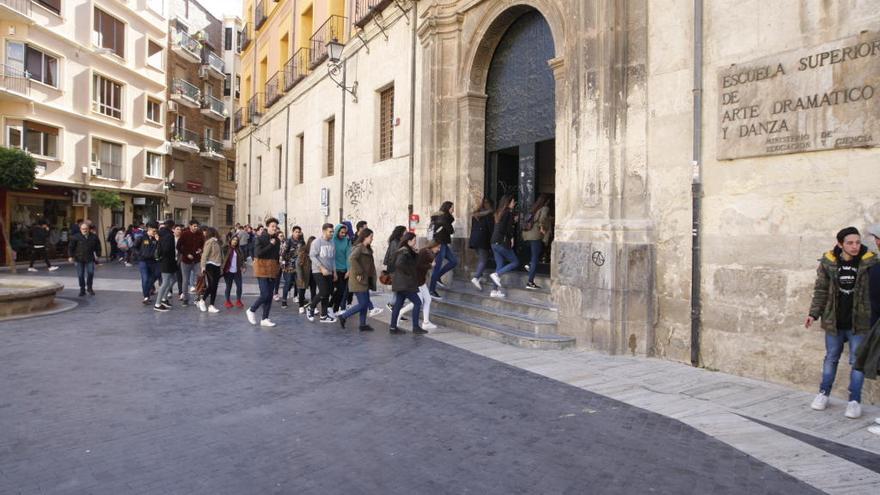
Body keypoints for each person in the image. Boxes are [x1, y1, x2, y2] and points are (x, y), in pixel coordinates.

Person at [806, 226, 877, 419]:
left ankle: (854, 401)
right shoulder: (829, 262)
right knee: (831, 358)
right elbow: (820, 290)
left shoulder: (870, 263)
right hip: (834, 321)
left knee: (857, 362)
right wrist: (813, 313)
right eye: (850, 243)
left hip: (859, 322)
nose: (855, 246)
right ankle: (823, 393)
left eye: (857, 242)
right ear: (840, 244)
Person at [338, 228, 381, 331]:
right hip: (358, 280)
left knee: (365, 303)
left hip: (364, 279)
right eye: (371, 237)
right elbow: (352, 258)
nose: (372, 239)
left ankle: (362, 325)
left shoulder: (366, 248)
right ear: (365, 237)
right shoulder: (359, 247)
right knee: (363, 303)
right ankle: (343, 316)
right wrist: (359, 272)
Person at [247, 218, 281, 327]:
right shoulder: (260, 238)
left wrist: (277, 266)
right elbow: (258, 253)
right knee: (265, 294)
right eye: (272, 226)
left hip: (272, 268)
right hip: (261, 268)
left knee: (269, 295)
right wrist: (270, 245)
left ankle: (265, 318)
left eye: (276, 227)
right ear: (267, 227)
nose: (274, 229)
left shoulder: (277, 240)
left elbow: (276, 255)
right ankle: (251, 310)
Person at [400, 241, 442, 330]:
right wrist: (430, 265)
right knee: (418, 302)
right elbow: (418, 265)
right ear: (433, 246)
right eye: (438, 247)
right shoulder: (426, 252)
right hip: (417, 280)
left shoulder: (426, 251)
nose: (439, 249)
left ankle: (426, 322)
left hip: (421, 281)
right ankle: (400, 312)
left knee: (428, 299)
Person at [389, 232, 425, 335]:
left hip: (401, 283)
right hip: (405, 284)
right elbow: (400, 264)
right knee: (418, 302)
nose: (415, 242)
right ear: (408, 241)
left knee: (398, 305)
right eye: (414, 240)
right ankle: (415, 327)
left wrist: (415, 254)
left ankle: (393, 327)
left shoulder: (405, 250)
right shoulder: (404, 251)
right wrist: (409, 274)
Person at [489, 195, 519, 298]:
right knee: (515, 262)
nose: (514, 204)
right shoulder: (509, 213)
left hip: (494, 242)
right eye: (513, 201)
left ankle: (494, 290)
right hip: (501, 242)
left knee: (499, 265)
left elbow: (500, 227)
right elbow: (507, 229)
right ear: (509, 202)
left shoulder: (499, 212)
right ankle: (497, 275)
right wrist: (511, 236)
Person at [308, 223, 337, 323]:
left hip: (329, 271)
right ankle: (310, 308)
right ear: (324, 231)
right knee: (324, 291)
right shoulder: (317, 242)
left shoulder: (332, 242)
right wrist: (321, 268)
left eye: (333, 231)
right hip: (318, 271)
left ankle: (323, 316)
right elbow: (312, 256)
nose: (332, 233)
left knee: (328, 293)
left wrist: (335, 272)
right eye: (330, 231)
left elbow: (333, 258)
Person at [521, 194, 551, 290]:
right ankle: (530, 282)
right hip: (535, 236)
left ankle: (529, 265)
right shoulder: (545, 208)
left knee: (535, 256)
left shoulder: (534, 208)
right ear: (547, 201)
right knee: (535, 259)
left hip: (527, 235)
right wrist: (542, 228)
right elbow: (542, 218)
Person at [428, 201, 457, 299]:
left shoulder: (437, 217)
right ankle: (431, 290)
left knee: (454, 261)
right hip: (439, 244)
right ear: (447, 208)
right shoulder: (444, 217)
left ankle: (437, 277)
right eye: (452, 208)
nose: (453, 210)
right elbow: (451, 230)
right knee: (437, 267)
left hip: (442, 243)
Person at [68, 221, 101, 296]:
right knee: (80, 275)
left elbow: (98, 246)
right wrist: (70, 256)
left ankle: (89, 288)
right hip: (79, 258)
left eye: (86, 229)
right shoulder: (75, 237)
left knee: (91, 273)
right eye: (83, 229)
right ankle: (82, 289)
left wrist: (98, 255)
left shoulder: (94, 236)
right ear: (80, 229)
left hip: (90, 258)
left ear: (88, 229)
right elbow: (70, 247)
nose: (84, 230)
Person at [468, 198, 495, 291]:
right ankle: (476, 277)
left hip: (475, 239)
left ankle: (479, 276)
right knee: (484, 259)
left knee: (481, 258)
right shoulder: (489, 215)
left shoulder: (476, 213)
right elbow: (491, 228)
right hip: (483, 239)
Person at [178, 220, 205, 307]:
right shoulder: (185, 234)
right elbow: (178, 246)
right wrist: (186, 254)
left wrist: (201, 249)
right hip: (186, 261)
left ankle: (197, 297)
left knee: (200, 276)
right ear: (190, 226)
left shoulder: (200, 234)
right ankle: (185, 299)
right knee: (185, 280)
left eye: (197, 226)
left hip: (197, 260)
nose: (195, 228)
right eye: (194, 226)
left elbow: (203, 245)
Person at [153, 220, 177, 312]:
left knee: (174, 278)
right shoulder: (169, 235)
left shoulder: (163, 234)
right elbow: (166, 249)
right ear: (172, 226)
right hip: (167, 261)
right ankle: (157, 304)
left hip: (168, 261)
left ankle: (163, 299)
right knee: (165, 282)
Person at [133, 222, 160, 305]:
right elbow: (134, 247)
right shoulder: (141, 237)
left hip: (153, 261)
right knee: (145, 279)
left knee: (154, 277)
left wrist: (158, 241)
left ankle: (148, 291)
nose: (154, 232)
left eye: (156, 231)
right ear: (149, 229)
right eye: (153, 231)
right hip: (143, 261)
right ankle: (146, 297)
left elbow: (160, 249)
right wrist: (140, 255)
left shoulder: (156, 238)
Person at [198, 228, 223, 314]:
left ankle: (211, 305)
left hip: (217, 266)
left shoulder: (217, 242)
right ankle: (202, 300)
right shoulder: (210, 242)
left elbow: (220, 255)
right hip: (210, 265)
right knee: (212, 285)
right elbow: (204, 255)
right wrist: (203, 266)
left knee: (214, 286)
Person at [280, 226, 304, 308]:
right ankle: (284, 300)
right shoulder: (288, 241)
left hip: (298, 266)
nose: (297, 233)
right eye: (296, 232)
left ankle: (296, 297)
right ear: (293, 232)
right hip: (288, 266)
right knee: (288, 282)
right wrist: (293, 254)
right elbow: (283, 254)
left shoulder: (301, 241)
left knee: (298, 282)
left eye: (299, 232)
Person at [330, 223, 351, 315]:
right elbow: (331, 257)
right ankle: (330, 306)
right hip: (335, 269)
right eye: (341, 232)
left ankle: (334, 309)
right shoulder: (332, 240)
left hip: (344, 270)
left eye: (345, 233)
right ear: (337, 231)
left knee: (342, 291)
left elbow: (348, 256)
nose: (343, 234)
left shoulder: (347, 241)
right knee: (339, 290)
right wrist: (333, 271)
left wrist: (349, 270)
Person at [222, 233, 246, 308]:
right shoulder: (225, 248)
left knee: (239, 286)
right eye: (233, 240)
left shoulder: (238, 249)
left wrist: (243, 266)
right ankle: (227, 301)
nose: (235, 241)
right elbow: (222, 257)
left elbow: (242, 259)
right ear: (231, 240)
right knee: (228, 286)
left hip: (237, 271)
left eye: (236, 240)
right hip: (228, 271)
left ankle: (238, 300)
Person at [296, 236, 316, 314]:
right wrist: (300, 276)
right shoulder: (303, 251)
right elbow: (298, 265)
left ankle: (313, 306)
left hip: (314, 273)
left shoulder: (316, 251)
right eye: (313, 243)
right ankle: (301, 306)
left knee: (313, 290)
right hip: (304, 274)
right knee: (302, 290)